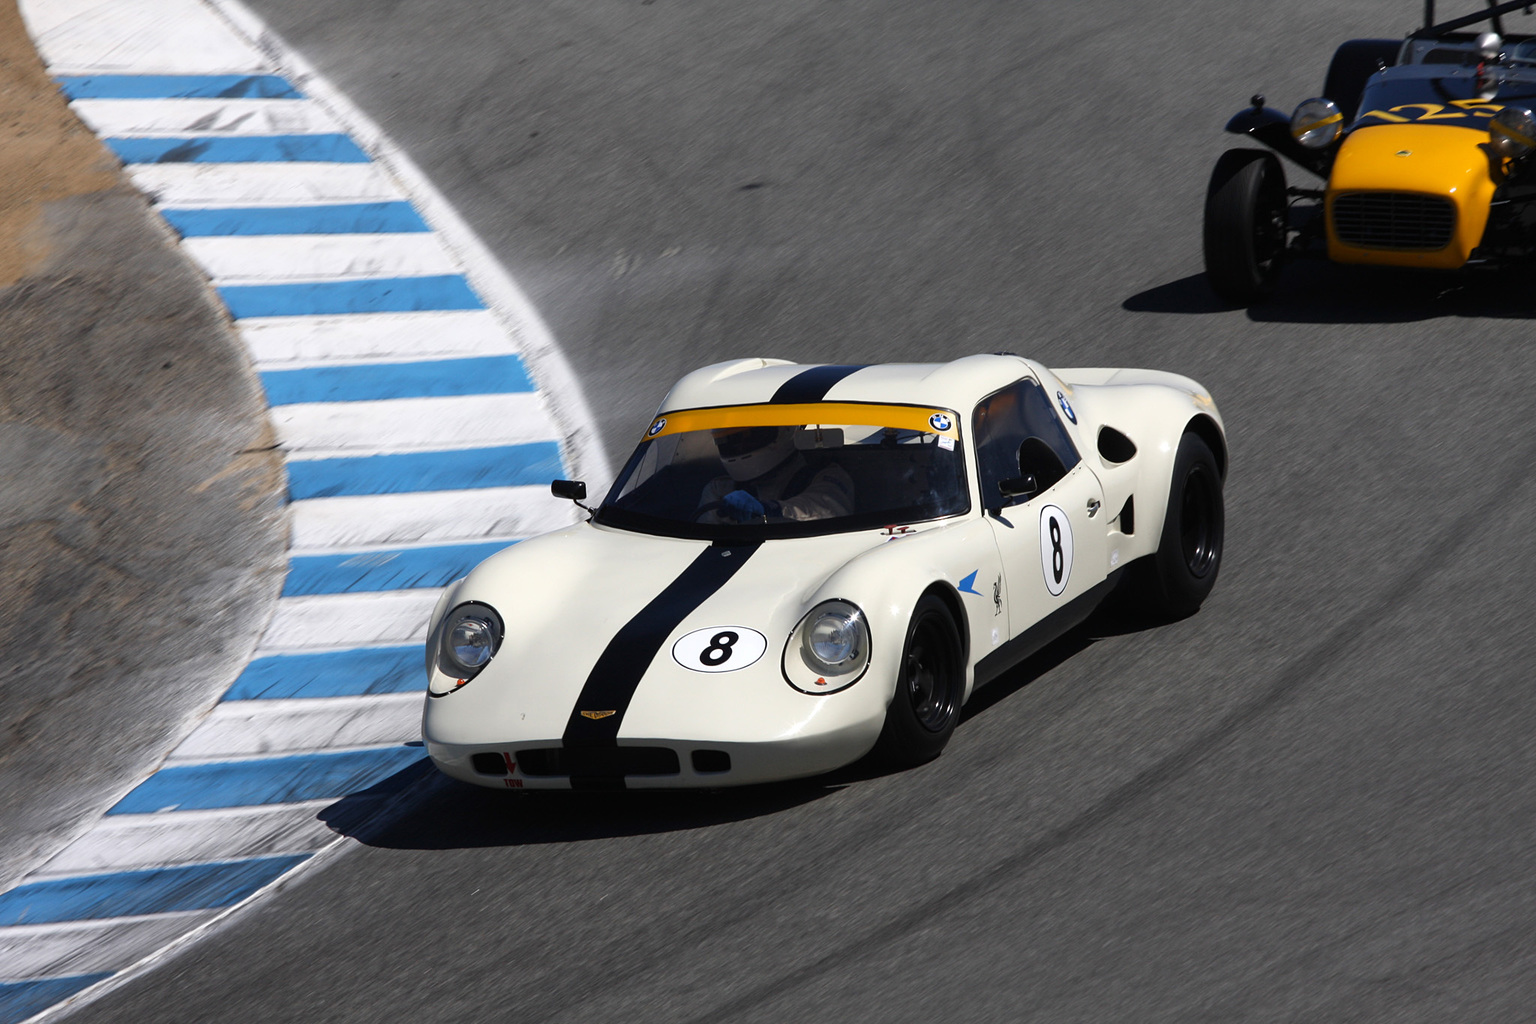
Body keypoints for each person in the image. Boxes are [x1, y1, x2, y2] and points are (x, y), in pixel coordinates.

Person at [698, 425, 854, 523]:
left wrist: (770, 510)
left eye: (748, 438)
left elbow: (826, 512)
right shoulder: (720, 489)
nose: (739, 447)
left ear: (784, 432)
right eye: (729, 441)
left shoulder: (826, 476)